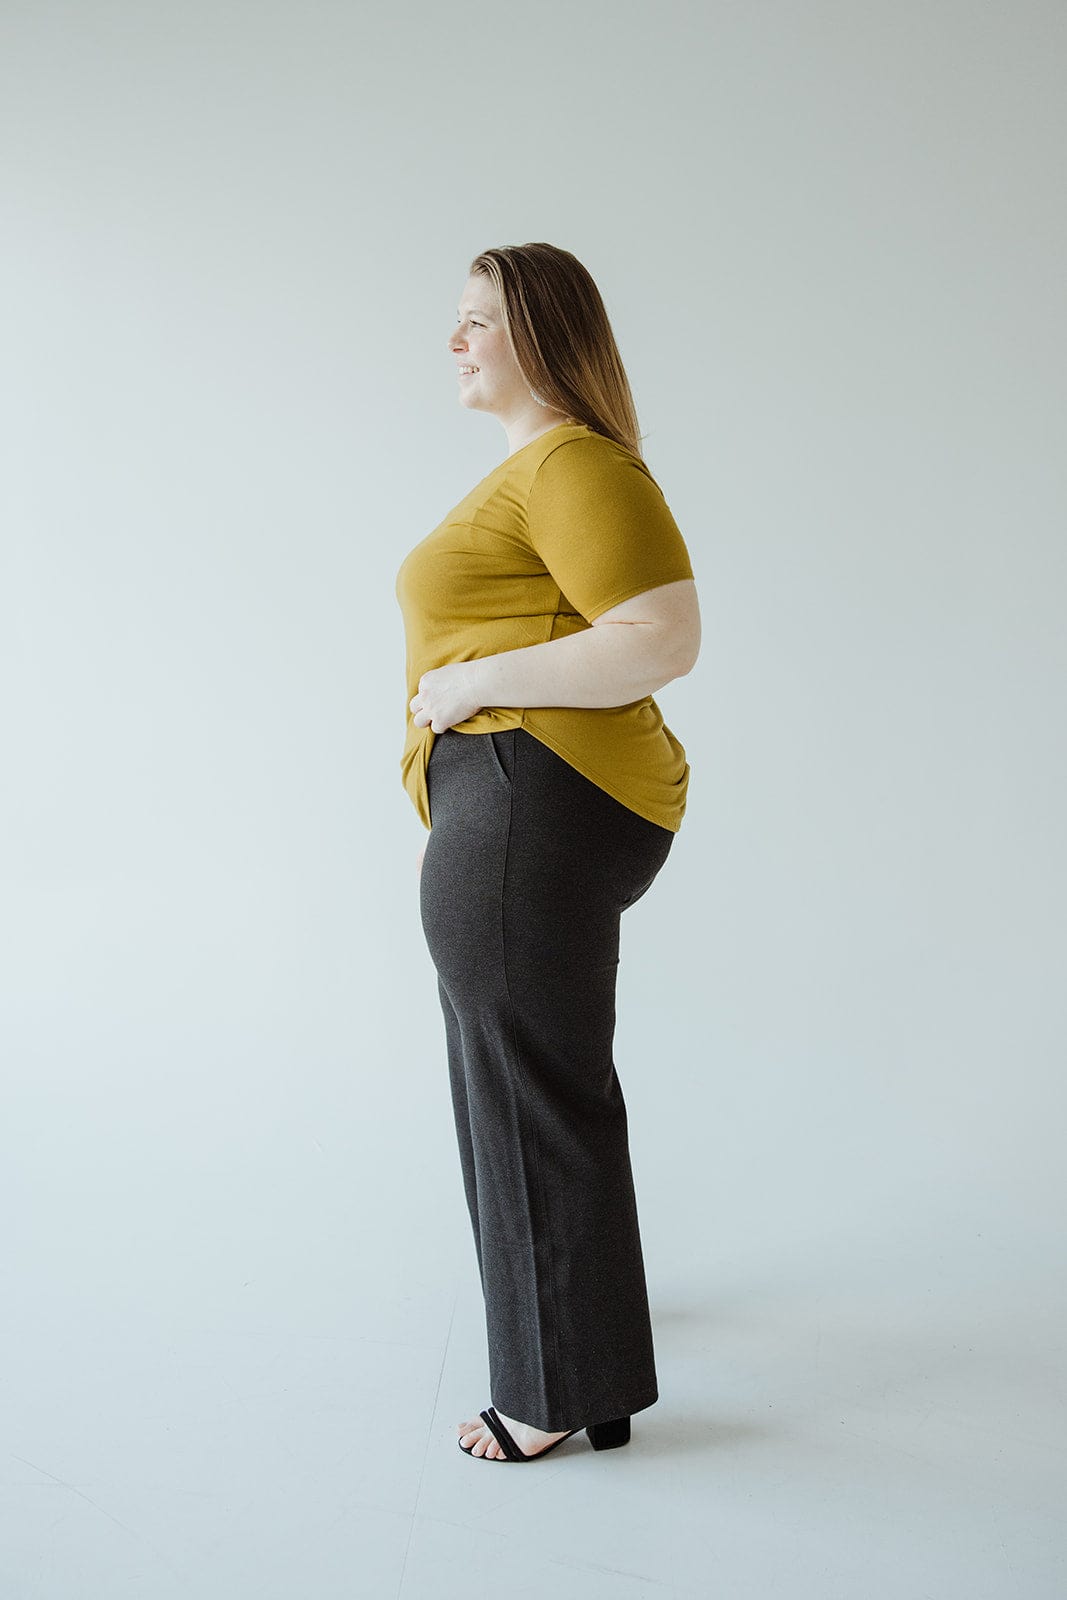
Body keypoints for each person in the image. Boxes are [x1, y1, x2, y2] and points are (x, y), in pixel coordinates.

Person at [394, 242, 701, 1463]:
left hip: (530, 795)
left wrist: (467, 679)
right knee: (534, 1081)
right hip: (519, 797)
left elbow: (660, 633)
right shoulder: (536, 469)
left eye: (477, 319)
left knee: (523, 1091)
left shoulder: (571, 459)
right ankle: (582, 1355)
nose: (455, 339)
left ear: (539, 333)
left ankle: (549, 1388)